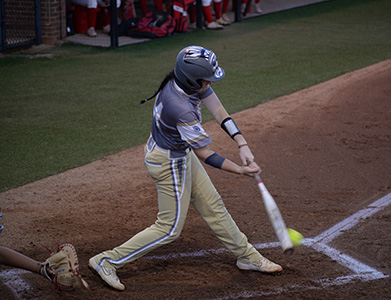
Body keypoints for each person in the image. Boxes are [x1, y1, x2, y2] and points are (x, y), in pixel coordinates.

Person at [88, 46, 283, 291]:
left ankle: (247, 256)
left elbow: (219, 110)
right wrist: (241, 170)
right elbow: (205, 154)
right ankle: (107, 260)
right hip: (169, 162)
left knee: (213, 205)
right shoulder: (179, 106)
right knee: (169, 228)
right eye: (208, 79)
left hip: (177, 152)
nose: (211, 82)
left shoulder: (184, 82)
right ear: (194, 79)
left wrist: (241, 143)